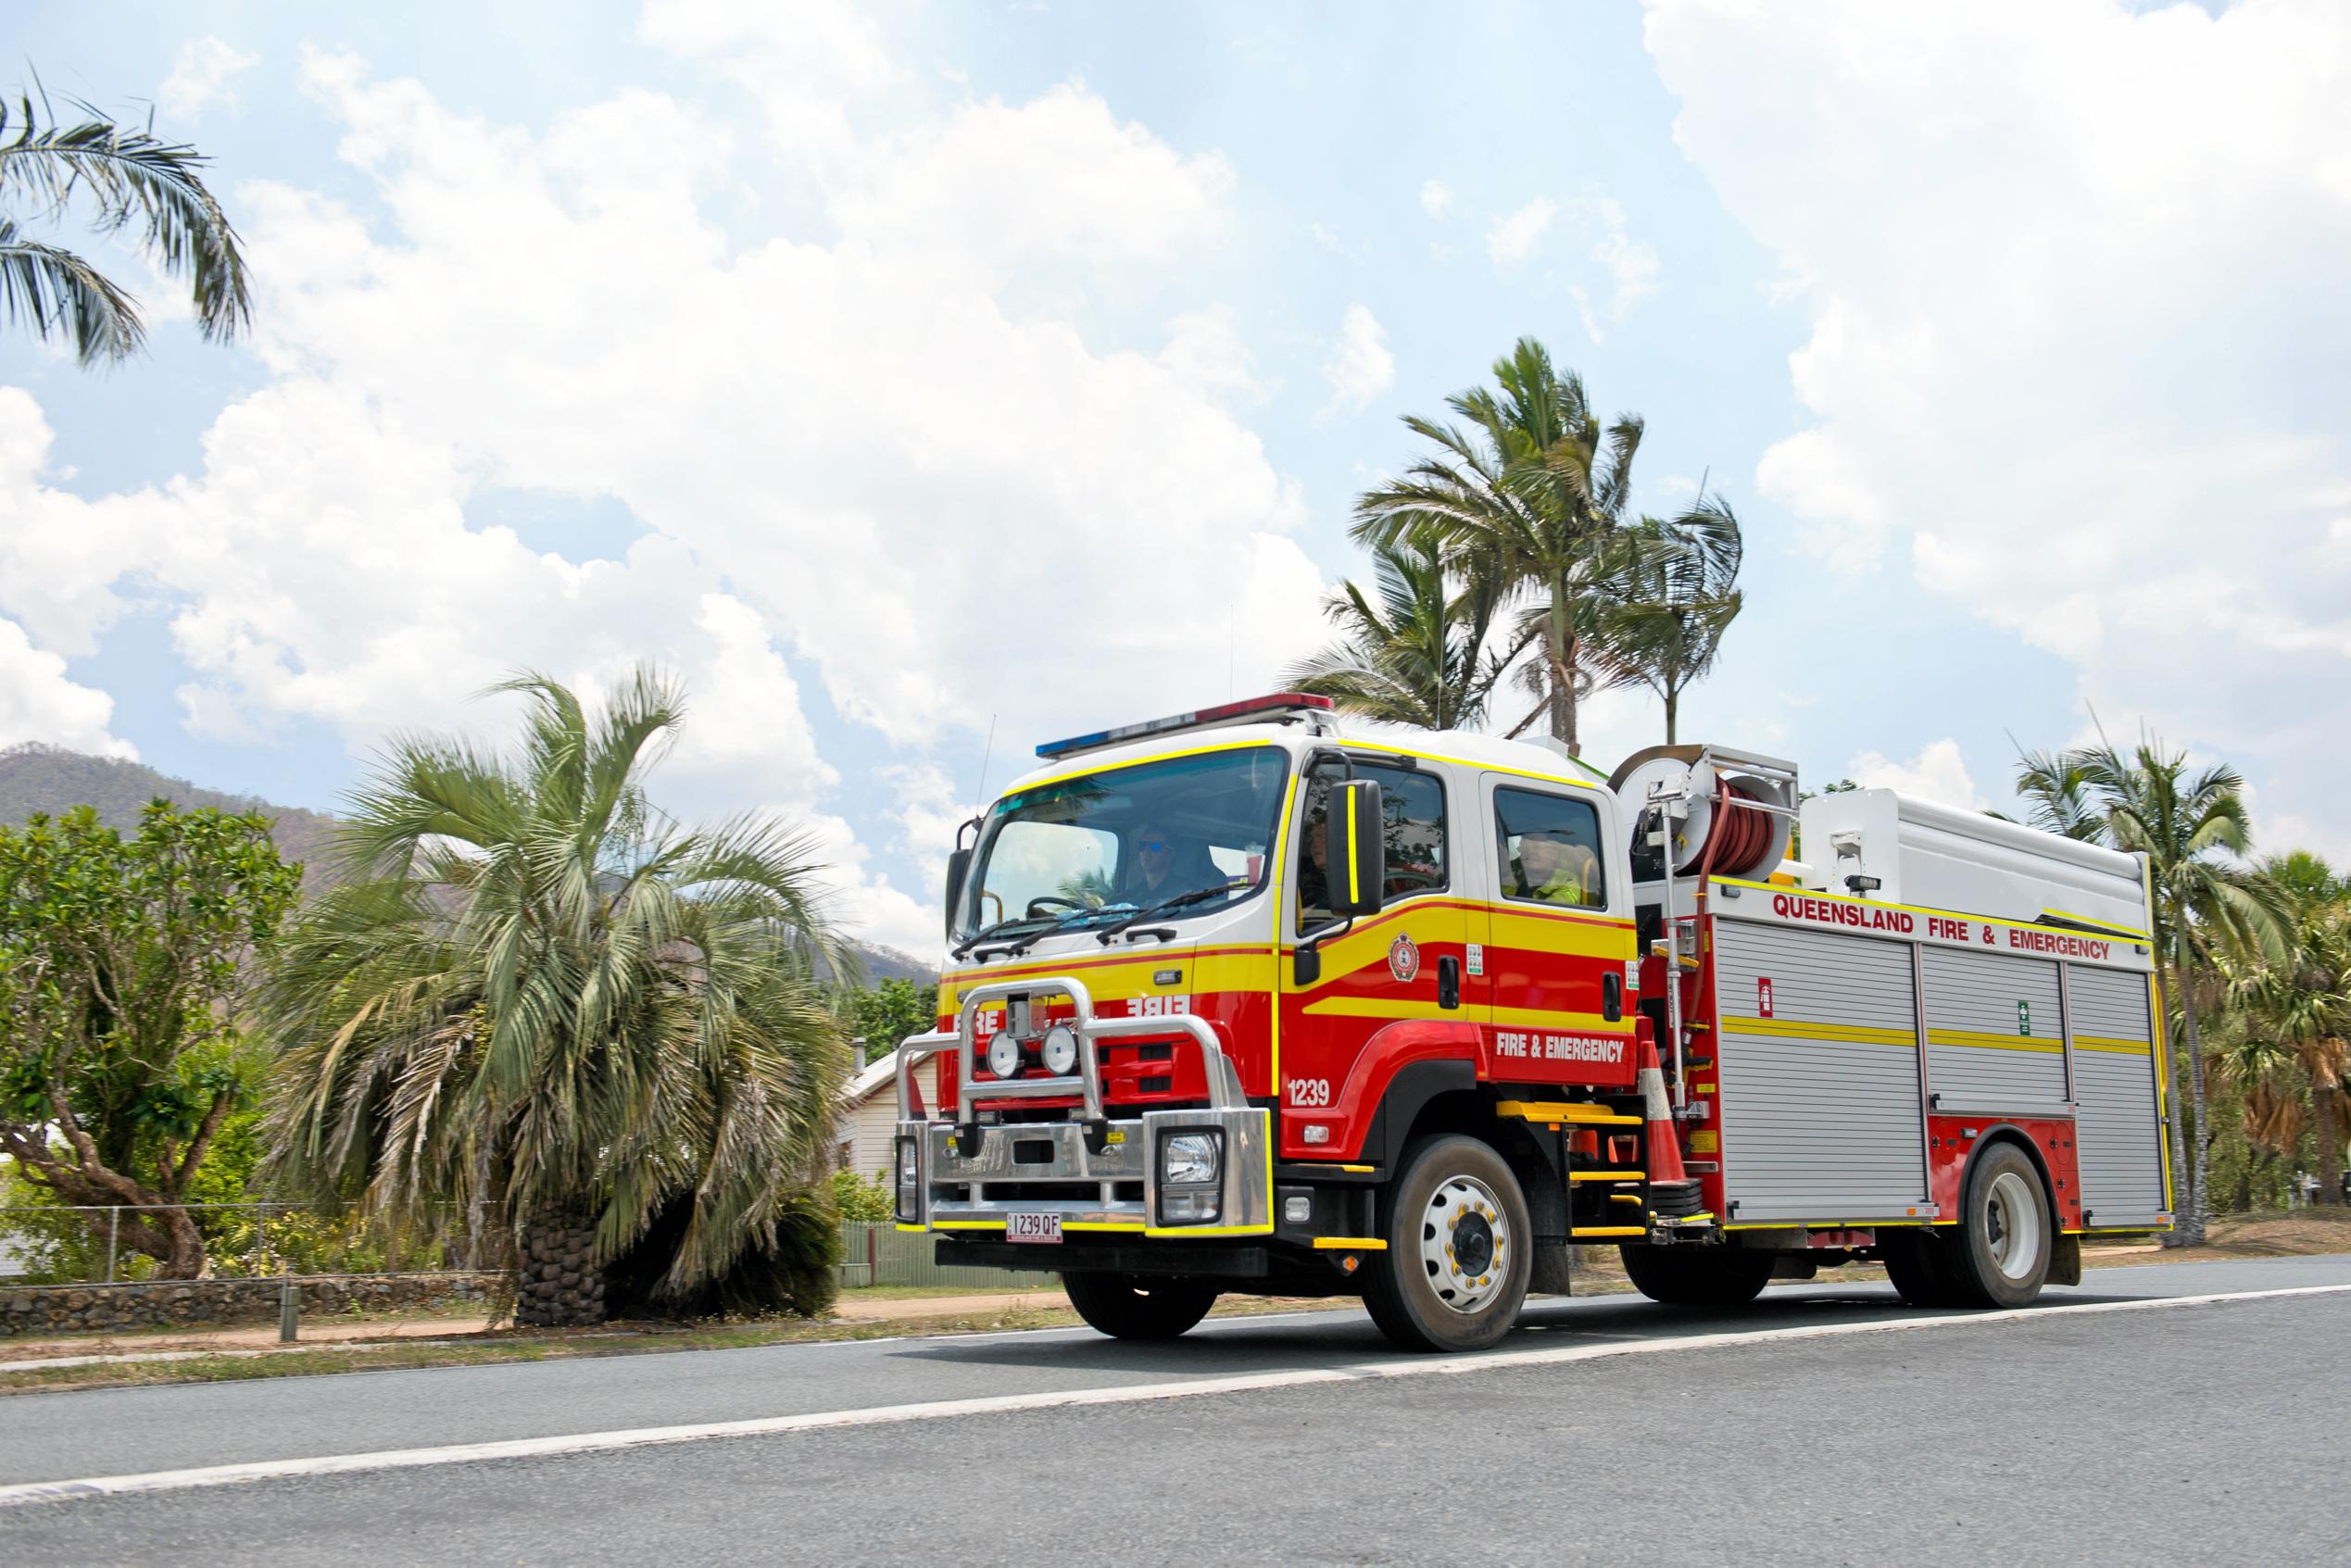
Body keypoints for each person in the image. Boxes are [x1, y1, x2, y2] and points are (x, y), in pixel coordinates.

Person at [1118, 821, 1228, 905]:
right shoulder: (1129, 897)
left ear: (1170, 854)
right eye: (1142, 846)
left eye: (1155, 847)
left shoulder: (1188, 895)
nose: (1146, 852)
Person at [1516, 830, 1601, 908]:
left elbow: (1544, 916)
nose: (1530, 852)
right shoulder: (1515, 873)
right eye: (1526, 847)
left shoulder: (1568, 884)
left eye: (1536, 847)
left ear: (1554, 854)